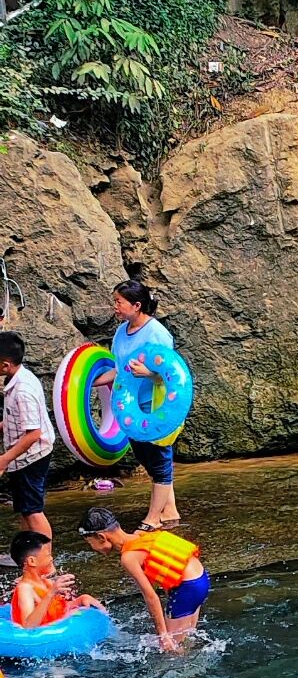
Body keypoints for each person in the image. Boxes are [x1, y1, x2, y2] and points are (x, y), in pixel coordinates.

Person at [77, 507, 210, 651]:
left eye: (91, 543)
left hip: (187, 588)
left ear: (102, 537)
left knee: (171, 648)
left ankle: (186, 671)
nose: (93, 548)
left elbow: (151, 596)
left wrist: (162, 634)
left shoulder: (128, 557)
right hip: (201, 579)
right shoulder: (141, 535)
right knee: (187, 637)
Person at [111, 278, 183, 530]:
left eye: (119, 302)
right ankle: (170, 509)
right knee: (146, 458)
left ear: (137, 305)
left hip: (156, 405)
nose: (115, 307)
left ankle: (152, 519)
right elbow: (120, 369)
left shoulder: (158, 334)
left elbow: (170, 373)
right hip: (130, 406)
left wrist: (149, 374)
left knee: (160, 460)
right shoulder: (121, 331)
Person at [0, 332, 55, 536]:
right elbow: (18, 417)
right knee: (24, 508)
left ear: (6, 365)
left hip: (31, 456)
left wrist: (4, 459)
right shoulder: (16, 377)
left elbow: (33, 433)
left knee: (33, 511)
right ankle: (25, 552)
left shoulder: (23, 390)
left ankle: (45, 560)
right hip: (22, 456)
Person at [9, 530, 101, 629]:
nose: (51, 558)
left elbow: (58, 610)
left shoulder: (46, 582)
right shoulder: (25, 588)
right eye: (48, 555)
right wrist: (51, 593)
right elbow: (28, 626)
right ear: (32, 561)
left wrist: (79, 600)